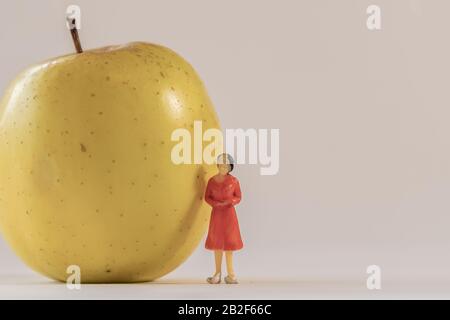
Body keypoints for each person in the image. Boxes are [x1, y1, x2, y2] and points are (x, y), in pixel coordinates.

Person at [204, 153, 243, 284]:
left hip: (229, 214)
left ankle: (231, 274)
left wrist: (230, 201)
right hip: (217, 214)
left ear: (230, 167)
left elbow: (238, 196)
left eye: (226, 166)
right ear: (218, 166)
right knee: (217, 244)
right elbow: (207, 196)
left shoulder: (234, 181)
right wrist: (215, 204)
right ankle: (217, 273)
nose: (223, 168)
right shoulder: (211, 181)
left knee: (229, 245)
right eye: (221, 165)